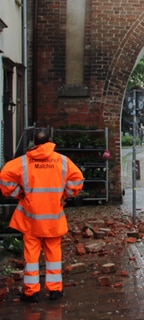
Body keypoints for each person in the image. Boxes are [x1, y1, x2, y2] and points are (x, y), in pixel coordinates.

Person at [0, 128, 84, 303]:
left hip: (31, 219)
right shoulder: (62, 161)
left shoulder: (24, 162)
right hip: (53, 218)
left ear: (34, 143)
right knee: (53, 254)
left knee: (31, 256)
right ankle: (55, 290)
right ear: (50, 140)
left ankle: (31, 292)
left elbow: (4, 177)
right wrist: (65, 195)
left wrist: (18, 193)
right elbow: (78, 179)